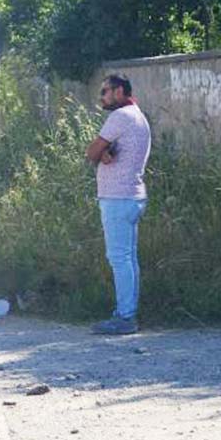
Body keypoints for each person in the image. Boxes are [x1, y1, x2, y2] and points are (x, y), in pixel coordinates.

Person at [84, 74, 151, 335]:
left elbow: (91, 152)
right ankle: (127, 312)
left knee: (119, 258)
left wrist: (100, 153)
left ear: (119, 91)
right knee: (128, 258)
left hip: (118, 197)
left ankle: (125, 317)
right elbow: (106, 152)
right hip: (132, 196)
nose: (102, 97)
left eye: (105, 91)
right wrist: (105, 153)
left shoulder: (120, 116)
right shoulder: (138, 116)